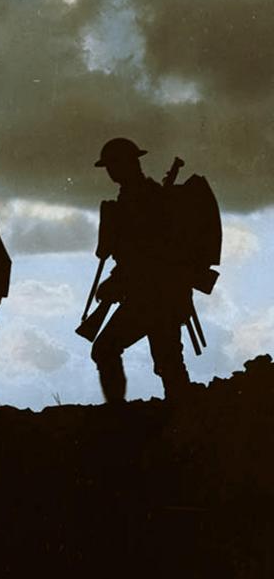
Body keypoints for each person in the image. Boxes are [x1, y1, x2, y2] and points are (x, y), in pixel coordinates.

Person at [90, 137, 192, 403]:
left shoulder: (143, 200)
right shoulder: (138, 198)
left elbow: (147, 254)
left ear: (129, 163)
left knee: (109, 350)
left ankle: (122, 415)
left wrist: (116, 283)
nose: (111, 171)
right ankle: (182, 415)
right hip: (155, 295)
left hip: (154, 296)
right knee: (168, 361)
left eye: (114, 164)